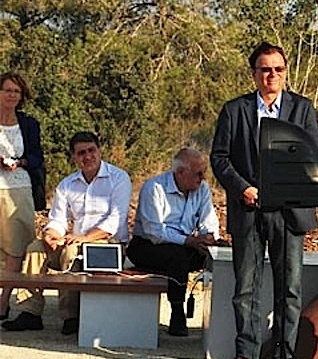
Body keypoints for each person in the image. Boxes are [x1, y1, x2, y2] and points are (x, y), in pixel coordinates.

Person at [211, 41, 318, 359]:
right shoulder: (235, 110)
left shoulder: (301, 108)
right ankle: (246, 353)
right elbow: (219, 158)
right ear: (254, 74)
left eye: (277, 69)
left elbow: (313, 156)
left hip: (288, 213)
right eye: (265, 69)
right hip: (249, 209)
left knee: (289, 286)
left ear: (285, 73)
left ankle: (283, 356)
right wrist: (243, 188)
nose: (271, 75)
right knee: (246, 285)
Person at [2, 131, 131, 335]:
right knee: (35, 248)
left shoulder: (119, 178)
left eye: (91, 150)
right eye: (81, 153)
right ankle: (30, 312)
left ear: (100, 151)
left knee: (71, 251)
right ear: (74, 157)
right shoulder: (68, 184)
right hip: (75, 240)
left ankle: (71, 316)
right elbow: (58, 219)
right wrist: (50, 235)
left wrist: (83, 238)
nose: (87, 156)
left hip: (107, 245)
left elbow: (114, 222)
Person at [126, 147, 219, 337]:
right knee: (178, 257)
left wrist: (207, 238)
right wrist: (189, 241)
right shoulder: (154, 188)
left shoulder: (202, 190)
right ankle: (177, 312)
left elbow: (208, 220)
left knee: (217, 256)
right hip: (148, 245)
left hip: (185, 246)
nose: (202, 178)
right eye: (198, 174)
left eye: (204, 173)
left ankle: (219, 320)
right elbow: (155, 231)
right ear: (181, 172)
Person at [0, 72, 46, 321]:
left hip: (19, 189)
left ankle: (4, 301)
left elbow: (38, 157)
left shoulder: (28, 124)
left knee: (16, 249)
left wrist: (21, 162)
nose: (12, 95)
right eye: (7, 90)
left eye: (16, 92)